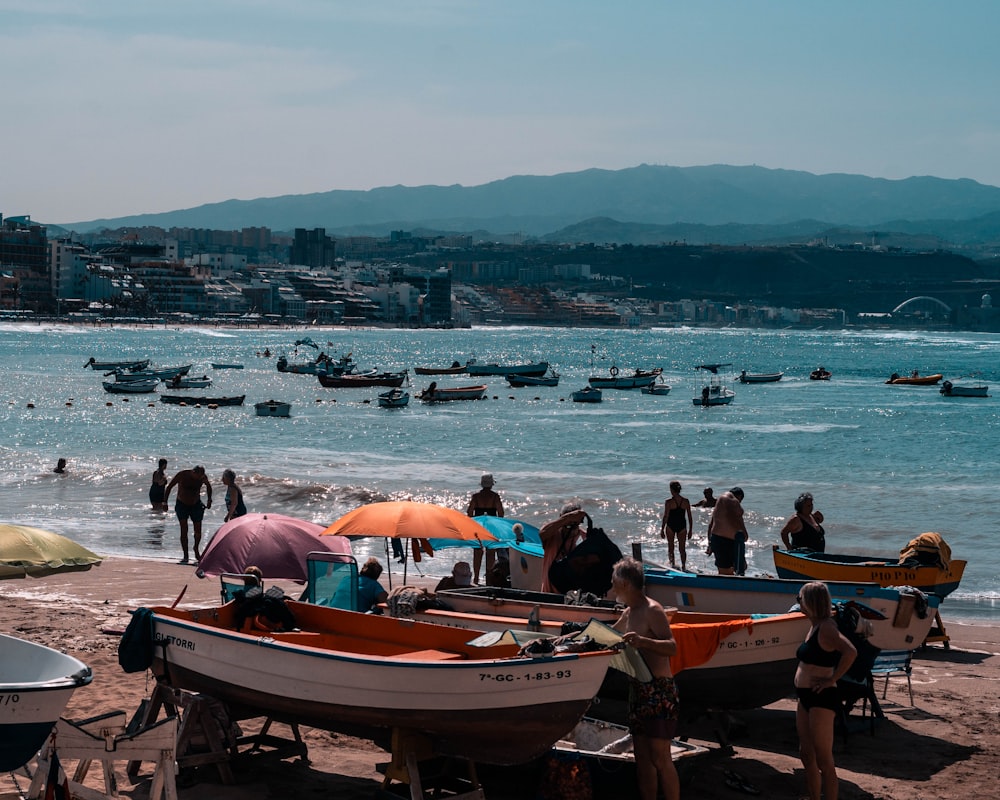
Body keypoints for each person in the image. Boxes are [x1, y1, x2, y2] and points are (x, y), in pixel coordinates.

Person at [611, 557, 680, 800]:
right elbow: (609, 634)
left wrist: (643, 642)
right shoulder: (629, 611)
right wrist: (572, 635)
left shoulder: (653, 610)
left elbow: (671, 647)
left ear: (625, 583)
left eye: (614, 581)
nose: (611, 586)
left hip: (659, 691)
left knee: (660, 758)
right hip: (637, 689)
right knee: (642, 759)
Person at [794, 581, 857, 800]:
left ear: (810, 602)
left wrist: (832, 679)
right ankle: (814, 797)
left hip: (821, 697)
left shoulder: (827, 627)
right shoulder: (813, 626)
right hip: (805, 698)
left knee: (824, 759)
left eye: (799, 598)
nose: (797, 602)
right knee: (806, 754)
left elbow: (850, 652)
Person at [162, 465, 212, 564]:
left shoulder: (203, 477)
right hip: (182, 504)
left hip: (196, 504)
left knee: (198, 531)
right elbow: (170, 486)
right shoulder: (182, 475)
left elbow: (208, 486)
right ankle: (185, 555)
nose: (200, 478)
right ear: (193, 472)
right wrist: (165, 502)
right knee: (184, 529)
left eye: (202, 476)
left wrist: (209, 499)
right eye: (198, 476)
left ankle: (196, 548)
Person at [538, 502, 587, 593]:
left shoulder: (585, 538)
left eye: (574, 525)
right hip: (549, 593)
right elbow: (541, 535)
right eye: (567, 526)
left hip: (573, 596)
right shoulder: (552, 534)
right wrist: (567, 518)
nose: (570, 529)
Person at [466, 473, 504, 584]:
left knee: (477, 552)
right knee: (490, 552)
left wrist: (474, 522)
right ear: (492, 484)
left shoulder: (476, 497)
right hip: (491, 525)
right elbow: (501, 512)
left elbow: (469, 512)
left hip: (478, 525)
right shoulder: (495, 496)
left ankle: (476, 577)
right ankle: (489, 578)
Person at [706, 487, 747, 575]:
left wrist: (710, 543)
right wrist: (745, 534)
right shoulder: (732, 501)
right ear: (739, 497)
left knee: (735, 568)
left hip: (717, 539)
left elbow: (711, 524)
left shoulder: (720, 502)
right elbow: (736, 520)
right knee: (727, 572)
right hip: (724, 542)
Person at [660, 481, 693, 570]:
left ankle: (672, 566)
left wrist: (662, 529)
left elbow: (665, 516)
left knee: (671, 547)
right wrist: (690, 530)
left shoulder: (668, 502)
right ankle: (684, 566)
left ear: (671, 490)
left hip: (671, 526)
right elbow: (690, 517)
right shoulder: (686, 501)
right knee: (682, 549)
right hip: (682, 526)